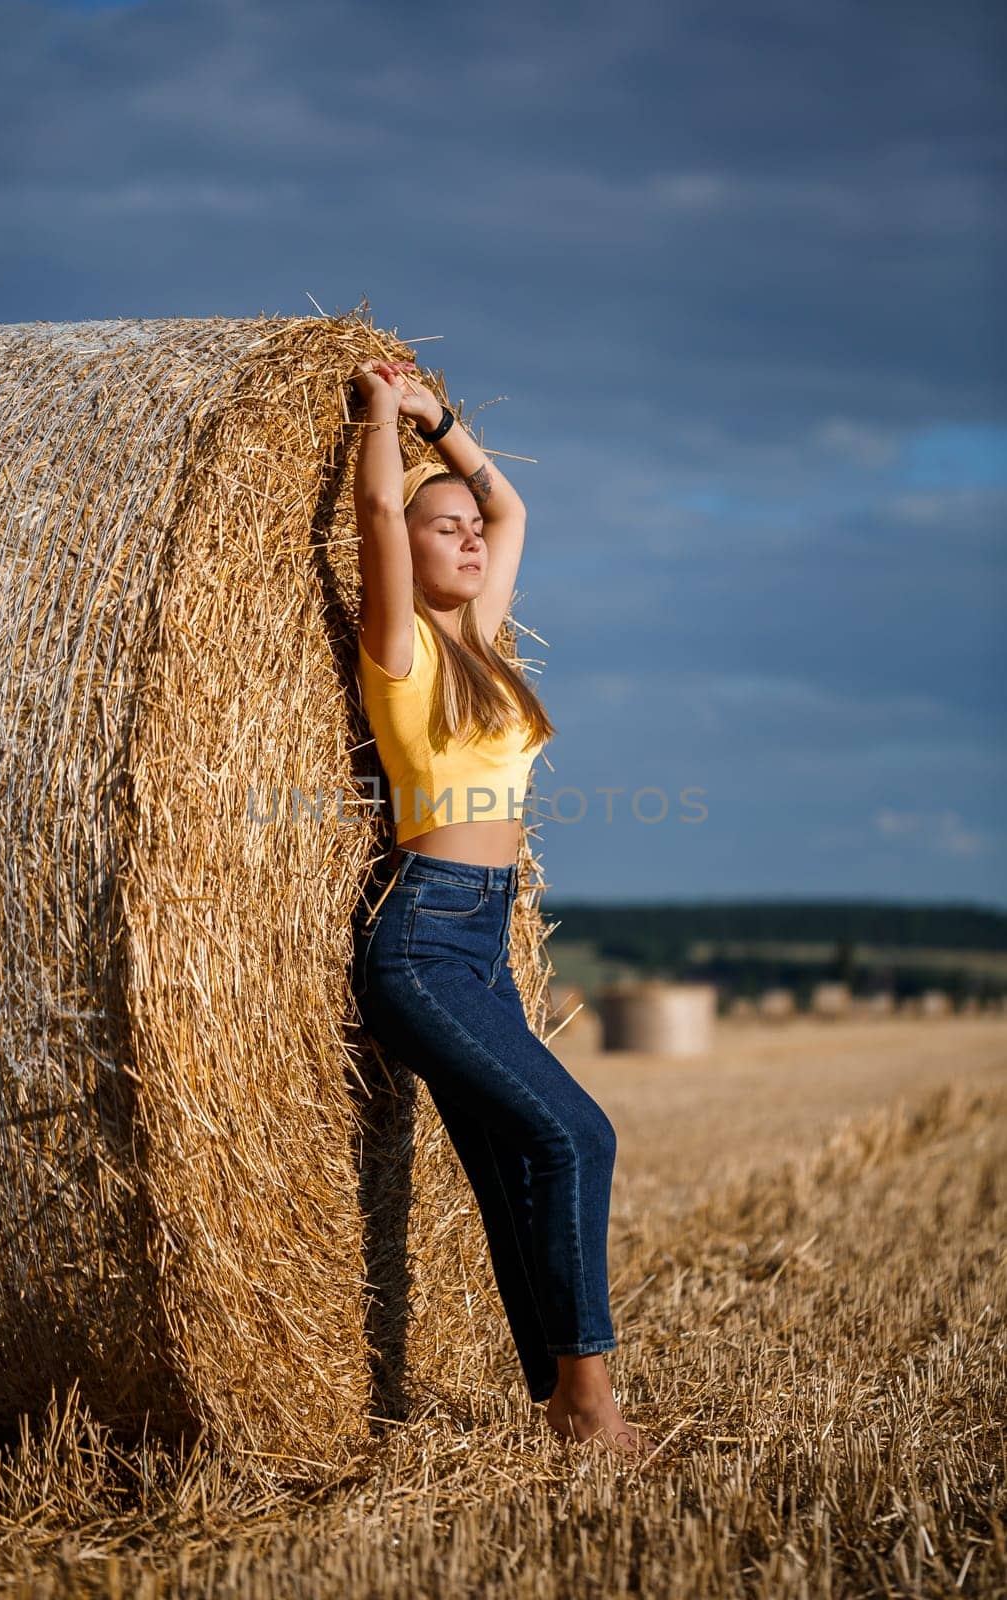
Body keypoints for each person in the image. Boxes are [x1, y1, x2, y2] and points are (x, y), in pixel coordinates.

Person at [349, 356, 650, 1457]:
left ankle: (559, 1405)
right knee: (576, 1132)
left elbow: (513, 503)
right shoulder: (404, 647)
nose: (470, 536)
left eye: (470, 529)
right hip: (423, 941)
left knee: (512, 1161)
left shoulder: (480, 642)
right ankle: (586, 1404)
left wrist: (448, 426)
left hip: (482, 938)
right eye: (446, 530)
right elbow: (379, 505)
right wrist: (385, 418)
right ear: (406, 549)